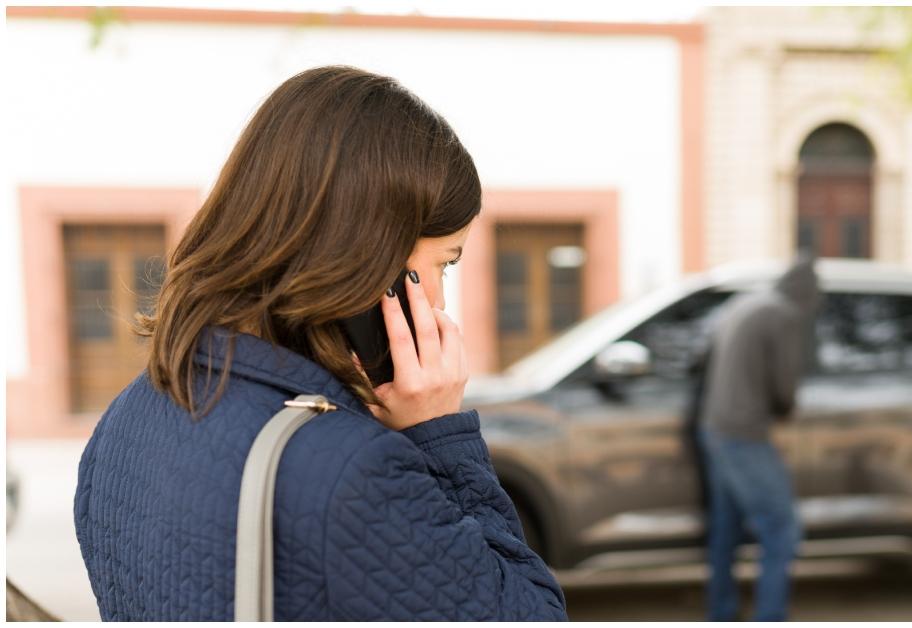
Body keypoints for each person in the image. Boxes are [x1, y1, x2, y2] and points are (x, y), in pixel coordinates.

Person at [72, 66, 567, 621]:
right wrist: (438, 437)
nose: (439, 302)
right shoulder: (354, 471)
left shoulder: (129, 415)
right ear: (374, 260)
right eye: (444, 263)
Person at [697, 252, 821, 621]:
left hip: (714, 426)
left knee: (725, 532)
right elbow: (785, 384)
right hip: (745, 433)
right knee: (782, 531)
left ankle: (720, 613)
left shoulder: (748, 302)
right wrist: (785, 411)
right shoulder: (783, 314)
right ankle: (770, 617)